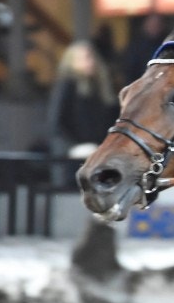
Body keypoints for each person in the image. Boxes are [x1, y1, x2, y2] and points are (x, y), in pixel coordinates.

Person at [46, 40, 121, 279]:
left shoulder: (102, 89)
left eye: (90, 58)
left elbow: (111, 122)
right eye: (83, 58)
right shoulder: (66, 86)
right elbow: (55, 125)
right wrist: (75, 148)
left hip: (99, 154)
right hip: (74, 156)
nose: (88, 63)